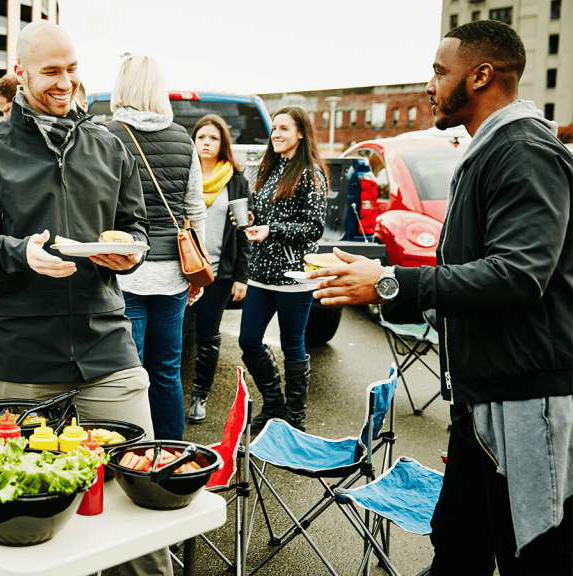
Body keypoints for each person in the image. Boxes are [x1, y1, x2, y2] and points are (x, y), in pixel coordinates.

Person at [313, 20, 572, 574]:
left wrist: (390, 283)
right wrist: (383, 271)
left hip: (525, 402)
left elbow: (519, 276)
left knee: (537, 556)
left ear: (480, 76)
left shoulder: (525, 151)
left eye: (438, 71)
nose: (429, 85)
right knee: (456, 546)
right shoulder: (492, 148)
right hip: (480, 399)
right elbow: (468, 269)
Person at [0, 21, 171, 576]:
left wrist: (133, 252)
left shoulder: (109, 145)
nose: (66, 81)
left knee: (141, 517)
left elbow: (134, 226)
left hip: (108, 349)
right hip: (22, 357)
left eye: (72, 69)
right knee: (25, 519)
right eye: (51, 71)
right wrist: (19, 253)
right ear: (20, 72)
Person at [103, 55, 205, 441]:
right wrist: (199, 267)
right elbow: (196, 209)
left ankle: (135, 454)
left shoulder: (107, 134)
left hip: (125, 271)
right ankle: (173, 452)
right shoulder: (183, 137)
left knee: (132, 372)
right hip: (175, 274)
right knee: (168, 369)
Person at [240, 106, 327, 433]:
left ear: (301, 133)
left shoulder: (311, 173)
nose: (275, 134)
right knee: (249, 340)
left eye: (283, 129)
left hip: (294, 278)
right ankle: (274, 403)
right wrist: (252, 222)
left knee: (293, 346)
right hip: (260, 275)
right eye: (274, 128)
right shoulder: (269, 169)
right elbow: (262, 217)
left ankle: (294, 417)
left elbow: (314, 228)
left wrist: (271, 230)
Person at [185, 115, 250, 424]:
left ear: (223, 143)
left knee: (208, 336)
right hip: (184, 270)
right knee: (178, 334)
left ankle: (200, 395)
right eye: (201, 138)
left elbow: (243, 232)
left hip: (218, 274)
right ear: (193, 142)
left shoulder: (235, 179)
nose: (206, 143)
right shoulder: (185, 173)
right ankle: (169, 393)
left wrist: (242, 276)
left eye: (213, 138)